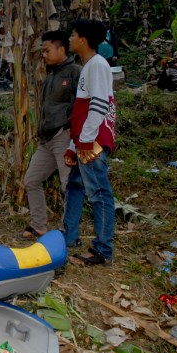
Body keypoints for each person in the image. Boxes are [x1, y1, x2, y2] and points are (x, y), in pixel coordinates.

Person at [63, 19, 117, 266]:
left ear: (83, 40)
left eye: (73, 35)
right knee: (76, 186)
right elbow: (83, 110)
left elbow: (99, 104)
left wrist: (84, 141)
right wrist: (74, 145)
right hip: (84, 140)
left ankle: (102, 249)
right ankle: (70, 236)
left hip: (92, 140)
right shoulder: (88, 66)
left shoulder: (97, 65)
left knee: (98, 192)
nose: (70, 39)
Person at [22, 31, 82, 238]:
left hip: (64, 136)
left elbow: (81, 106)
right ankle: (38, 225)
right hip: (46, 139)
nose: (44, 55)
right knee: (31, 180)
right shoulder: (51, 75)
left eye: (47, 50)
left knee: (68, 185)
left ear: (61, 49)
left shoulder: (75, 72)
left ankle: (69, 231)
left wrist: (74, 136)